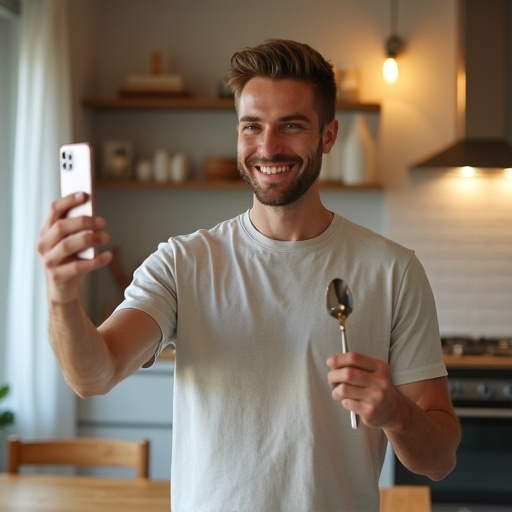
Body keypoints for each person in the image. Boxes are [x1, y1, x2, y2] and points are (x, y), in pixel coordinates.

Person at [38, 39, 461, 512]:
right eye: (252, 127)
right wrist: (61, 296)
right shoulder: (183, 263)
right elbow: (93, 375)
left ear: (328, 135)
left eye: (292, 126)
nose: (268, 147)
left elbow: (439, 461)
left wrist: (395, 414)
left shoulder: (393, 271)